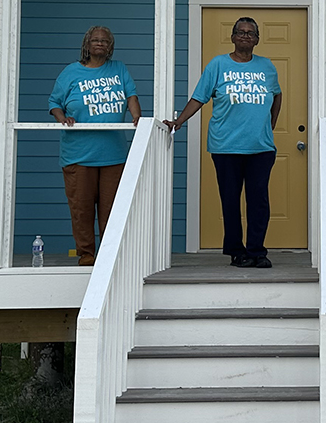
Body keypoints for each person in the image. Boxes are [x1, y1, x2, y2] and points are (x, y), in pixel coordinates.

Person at [167, 16, 281, 268]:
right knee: (230, 200)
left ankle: (256, 251)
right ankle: (235, 251)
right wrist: (180, 121)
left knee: (258, 201)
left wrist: (269, 125)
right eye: (240, 32)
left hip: (261, 148)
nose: (245, 36)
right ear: (232, 37)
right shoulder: (218, 65)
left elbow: (276, 95)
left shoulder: (267, 66)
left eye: (251, 33)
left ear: (257, 39)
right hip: (225, 146)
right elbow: (199, 97)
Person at [49, 26, 140, 266]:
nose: (100, 43)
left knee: (112, 211)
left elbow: (131, 96)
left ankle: (110, 257)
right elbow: (54, 102)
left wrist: (137, 118)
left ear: (111, 46)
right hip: (78, 155)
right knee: (82, 210)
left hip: (113, 154)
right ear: (86, 45)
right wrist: (62, 119)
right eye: (95, 40)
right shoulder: (71, 72)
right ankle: (87, 255)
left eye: (105, 41)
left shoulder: (118, 69)